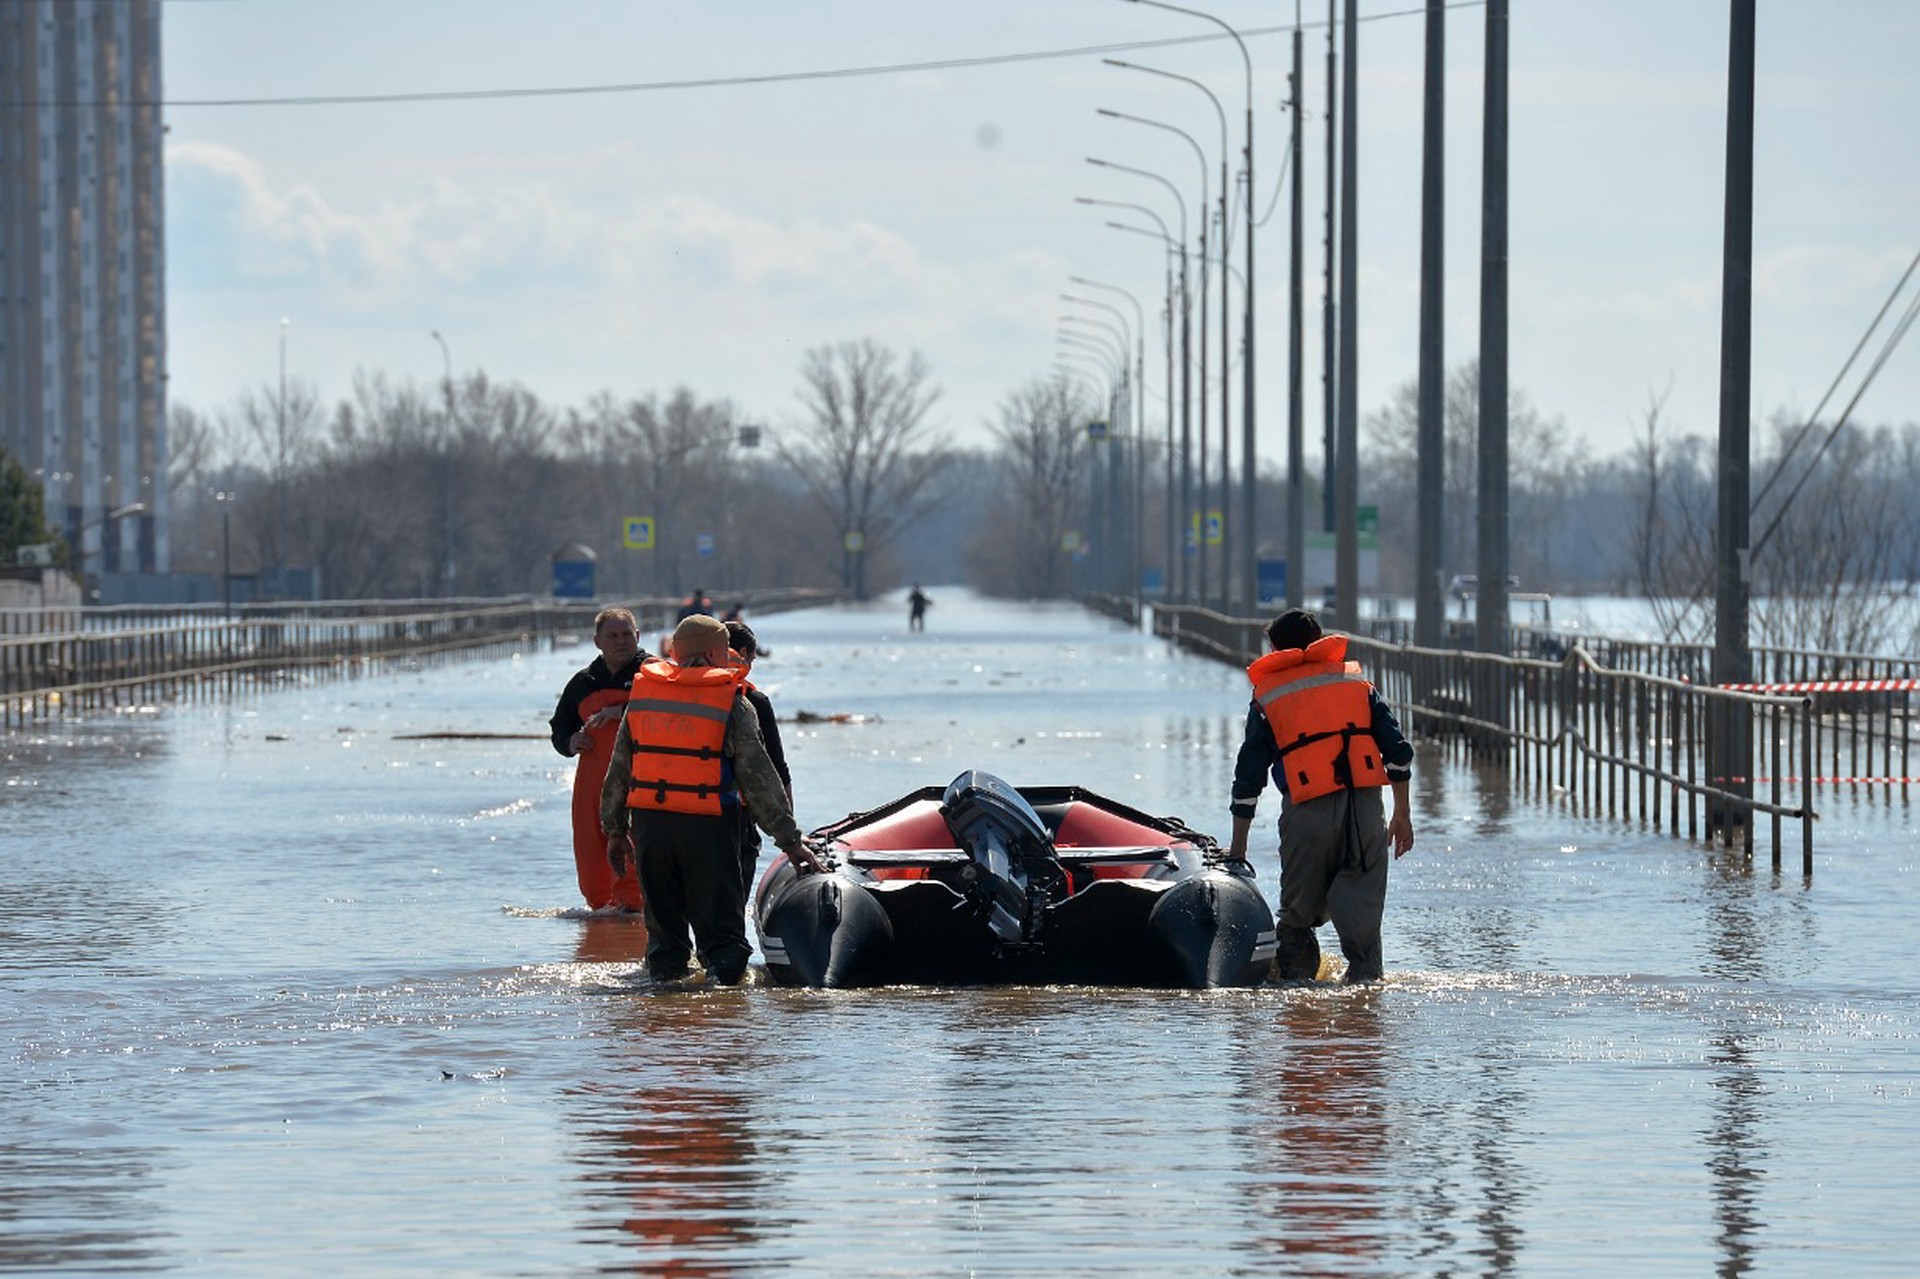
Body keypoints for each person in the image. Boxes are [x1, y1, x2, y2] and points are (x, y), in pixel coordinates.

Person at [601, 613, 822, 984]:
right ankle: (722, 1026)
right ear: (716, 653)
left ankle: (664, 1017)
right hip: (708, 829)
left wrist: (614, 830)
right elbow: (759, 779)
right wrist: (791, 842)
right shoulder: (732, 702)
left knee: (665, 943)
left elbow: (619, 769)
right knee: (723, 942)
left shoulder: (643, 697)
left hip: (651, 830)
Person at [1226, 607, 1415, 984]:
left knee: (1296, 920)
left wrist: (1237, 853)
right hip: (1365, 811)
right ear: (1320, 642)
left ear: (1276, 650)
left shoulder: (1269, 695)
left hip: (1306, 811)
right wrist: (1402, 815)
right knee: (1363, 933)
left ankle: (1299, 1009)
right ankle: (1363, 1019)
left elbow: (1249, 777)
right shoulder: (1357, 685)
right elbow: (1398, 752)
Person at [548, 606, 649, 912]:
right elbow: (559, 727)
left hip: (640, 781)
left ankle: (634, 919)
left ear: (638, 636)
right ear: (597, 642)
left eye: (627, 634)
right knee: (592, 855)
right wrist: (569, 741)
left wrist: (621, 712)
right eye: (613, 635)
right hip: (592, 783)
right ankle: (603, 924)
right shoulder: (583, 682)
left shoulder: (654, 674)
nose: (621, 641)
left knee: (636, 856)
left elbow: (670, 708)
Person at [725, 618, 791, 892]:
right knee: (732, 909)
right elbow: (777, 767)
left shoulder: (680, 696)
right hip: (736, 818)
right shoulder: (754, 702)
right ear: (744, 655)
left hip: (680, 819)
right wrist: (790, 835)